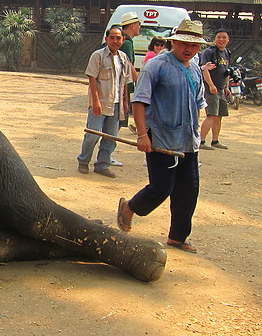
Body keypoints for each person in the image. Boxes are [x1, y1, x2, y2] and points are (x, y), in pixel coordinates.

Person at [116, 19, 208, 253]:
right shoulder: (156, 66)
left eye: (194, 46)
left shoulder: (195, 68)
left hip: (188, 141)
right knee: (161, 188)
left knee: (188, 191)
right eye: (184, 44)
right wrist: (142, 135)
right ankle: (129, 207)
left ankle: (178, 237)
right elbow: (139, 101)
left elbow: (198, 103)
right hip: (161, 139)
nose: (189, 50)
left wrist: (198, 133)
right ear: (173, 41)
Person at [77, 25, 133, 179]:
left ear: (123, 40)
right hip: (101, 102)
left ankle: (102, 165)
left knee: (111, 137)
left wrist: (126, 102)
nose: (115, 41)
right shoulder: (98, 56)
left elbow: (125, 83)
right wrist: (95, 102)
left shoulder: (123, 58)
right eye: (112, 38)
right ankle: (83, 160)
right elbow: (92, 79)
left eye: (118, 38)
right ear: (107, 39)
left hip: (117, 104)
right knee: (93, 134)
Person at [199, 29, 232, 150]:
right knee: (211, 114)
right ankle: (201, 141)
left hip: (221, 88)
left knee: (219, 115)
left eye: (224, 37)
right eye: (219, 37)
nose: (221, 40)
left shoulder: (227, 52)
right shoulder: (209, 52)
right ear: (215, 39)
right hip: (211, 88)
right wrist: (211, 85)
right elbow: (204, 69)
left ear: (228, 40)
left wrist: (227, 87)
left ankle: (215, 140)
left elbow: (227, 71)